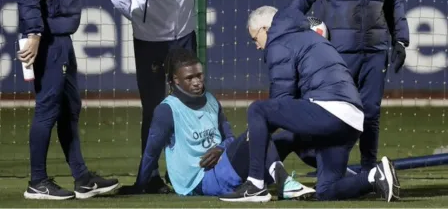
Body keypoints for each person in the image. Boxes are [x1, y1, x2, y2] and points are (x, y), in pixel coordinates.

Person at [219, 6, 400, 202]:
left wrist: (257, 132)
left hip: (330, 110)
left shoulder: (279, 42)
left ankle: (255, 185)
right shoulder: (308, 37)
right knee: (326, 190)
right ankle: (375, 176)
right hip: (351, 119)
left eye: (255, 38)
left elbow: (281, 99)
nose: (257, 46)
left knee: (258, 109)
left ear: (265, 29)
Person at [118, 48, 315, 201]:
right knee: (257, 132)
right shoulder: (167, 110)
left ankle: (327, 176)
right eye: (190, 78)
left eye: (199, 75)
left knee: (289, 135)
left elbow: (228, 137)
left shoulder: (211, 99)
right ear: (175, 81)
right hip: (199, 180)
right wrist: (139, 185)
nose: (197, 82)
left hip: (225, 167)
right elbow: (151, 152)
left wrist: (221, 148)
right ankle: (283, 183)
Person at [284, 0, 409, 172]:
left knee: (370, 113)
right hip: (338, 51)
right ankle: (327, 166)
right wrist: (287, 27)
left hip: (375, 50)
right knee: (334, 111)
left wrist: (400, 39)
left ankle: (369, 171)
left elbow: (395, 2)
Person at [16, 0, 118, 200]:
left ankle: (82, 178)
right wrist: (35, 33)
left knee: (70, 106)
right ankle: (37, 182)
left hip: (60, 35)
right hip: (49, 37)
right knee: (48, 108)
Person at [110, 0, 200, 192]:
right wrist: (144, 20)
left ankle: (185, 171)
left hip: (184, 35)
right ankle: (150, 176)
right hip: (149, 41)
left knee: (190, 106)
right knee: (154, 108)